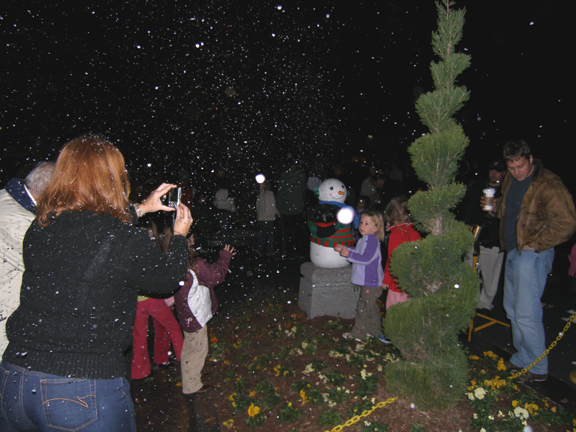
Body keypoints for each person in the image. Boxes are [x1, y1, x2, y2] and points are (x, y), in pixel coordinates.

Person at [0, 136, 193, 432]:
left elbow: (87, 233)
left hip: (15, 381)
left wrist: (142, 208)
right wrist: (179, 236)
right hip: (78, 389)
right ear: (112, 179)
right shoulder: (121, 238)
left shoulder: (41, 228)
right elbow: (167, 279)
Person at [493, 139, 576, 383]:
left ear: (530, 160)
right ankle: (523, 357)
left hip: (532, 255)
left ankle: (537, 368)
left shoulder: (549, 183)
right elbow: (512, 211)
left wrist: (537, 243)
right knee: (511, 309)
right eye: (511, 167)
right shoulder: (510, 179)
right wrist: (496, 208)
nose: (516, 172)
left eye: (520, 166)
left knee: (527, 313)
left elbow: (568, 223)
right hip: (513, 251)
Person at [0, 161, 55, 355]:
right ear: (49, 193)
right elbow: (52, 263)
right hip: (5, 314)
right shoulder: (17, 221)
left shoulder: (10, 201)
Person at [174, 234, 235, 397]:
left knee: (190, 348)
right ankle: (192, 385)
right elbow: (216, 276)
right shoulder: (194, 264)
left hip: (185, 314)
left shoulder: (174, 261)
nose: (194, 237)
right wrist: (225, 256)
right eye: (190, 236)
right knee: (198, 349)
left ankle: (191, 375)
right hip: (195, 315)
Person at [131, 221, 185, 381]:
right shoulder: (151, 253)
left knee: (140, 336)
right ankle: (186, 361)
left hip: (138, 301)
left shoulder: (131, 252)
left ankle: (140, 371)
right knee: (173, 328)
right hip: (152, 299)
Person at [334, 210, 388, 343]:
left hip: (371, 282)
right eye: (361, 222)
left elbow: (366, 259)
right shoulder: (365, 240)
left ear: (376, 228)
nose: (362, 226)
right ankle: (375, 331)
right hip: (370, 282)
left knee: (363, 308)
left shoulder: (372, 242)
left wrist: (349, 254)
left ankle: (359, 334)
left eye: (367, 223)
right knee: (371, 308)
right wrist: (344, 249)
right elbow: (358, 252)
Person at [462, 160, 506, 314]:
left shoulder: (506, 190)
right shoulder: (477, 187)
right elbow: (468, 210)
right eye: (491, 170)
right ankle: (471, 299)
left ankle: (485, 303)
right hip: (474, 234)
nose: (494, 173)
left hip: (493, 238)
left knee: (491, 271)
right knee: (470, 268)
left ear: (504, 172)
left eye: (498, 170)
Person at [382, 196, 421, 311]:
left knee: (394, 312)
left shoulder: (395, 234)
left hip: (398, 283)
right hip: (413, 281)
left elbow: (393, 259)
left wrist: (386, 280)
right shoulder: (414, 231)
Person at [276, 159, 306, 259]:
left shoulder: (284, 176)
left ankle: (290, 252)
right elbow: (303, 191)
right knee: (298, 231)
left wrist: (279, 206)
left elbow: (280, 192)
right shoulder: (301, 175)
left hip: (287, 208)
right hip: (298, 208)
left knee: (288, 232)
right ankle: (300, 251)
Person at [256, 180, 278, 256]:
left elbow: (257, 206)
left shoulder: (260, 194)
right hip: (269, 217)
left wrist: (258, 215)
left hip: (262, 217)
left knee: (263, 233)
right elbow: (273, 205)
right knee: (270, 235)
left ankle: (258, 248)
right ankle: (270, 250)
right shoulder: (270, 194)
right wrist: (276, 213)